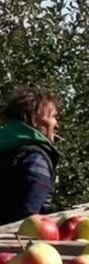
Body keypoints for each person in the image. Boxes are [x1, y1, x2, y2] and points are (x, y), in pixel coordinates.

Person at [0, 86, 60, 224]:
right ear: (33, 118)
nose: (56, 124)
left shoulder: (5, 147)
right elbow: (27, 218)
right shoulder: (35, 160)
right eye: (53, 116)